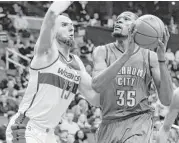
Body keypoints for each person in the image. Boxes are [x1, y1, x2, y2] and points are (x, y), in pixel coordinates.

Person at [6, 1, 97, 143]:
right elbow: (51, 14)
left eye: (72, 26)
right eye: (64, 25)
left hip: (49, 134)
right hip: (28, 128)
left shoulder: (77, 64)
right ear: (53, 31)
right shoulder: (47, 52)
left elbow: (94, 96)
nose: (71, 28)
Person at [92, 11, 173, 143]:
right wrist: (126, 55)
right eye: (118, 19)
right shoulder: (102, 51)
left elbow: (167, 100)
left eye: (126, 19)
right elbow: (97, 86)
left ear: (138, 27)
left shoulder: (149, 56)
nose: (119, 21)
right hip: (109, 122)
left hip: (138, 120)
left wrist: (162, 60)